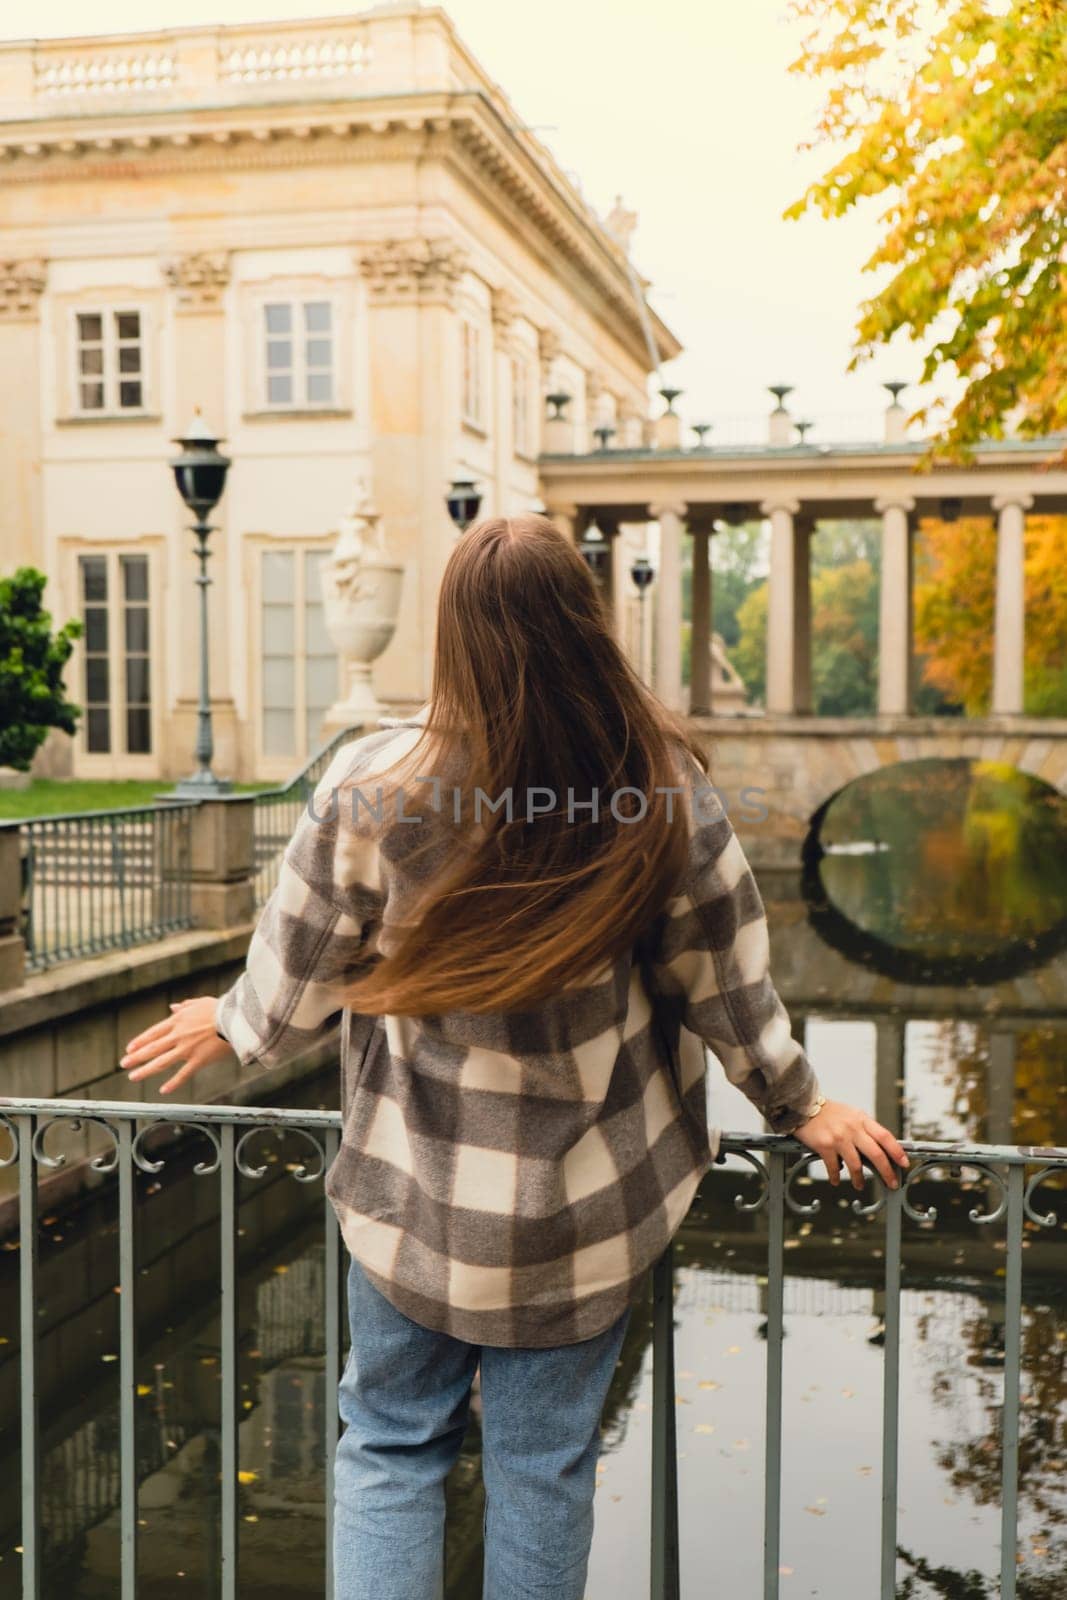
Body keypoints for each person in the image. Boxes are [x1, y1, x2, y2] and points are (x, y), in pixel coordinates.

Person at [120, 514, 909, 1600]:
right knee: (542, 1472)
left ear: (454, 637)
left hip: (413, 1200)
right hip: (580, 1214)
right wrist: (801, 1105)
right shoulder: (658, 792)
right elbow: (725, 986)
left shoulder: (372, 784)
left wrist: (232, 1018)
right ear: (583, 629)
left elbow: (295, 977)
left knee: (390, 1450)